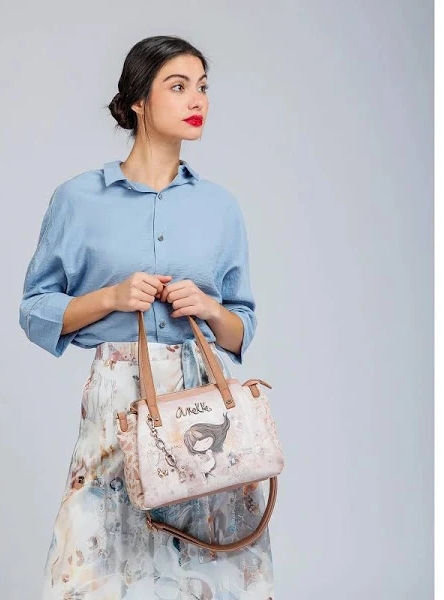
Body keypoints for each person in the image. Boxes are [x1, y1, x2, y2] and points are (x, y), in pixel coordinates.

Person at [19, 35, 275, 600]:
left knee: (209, 564)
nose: (197, 100)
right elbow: (36, 309)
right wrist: (110, 298)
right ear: (139, 100)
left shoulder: (219, 206)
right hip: (118, 399)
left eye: (202, 87)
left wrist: (209, 308)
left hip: (201, 402)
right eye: (178, 86)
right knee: (99, 562)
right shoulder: (78, 199)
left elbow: (241, 328)